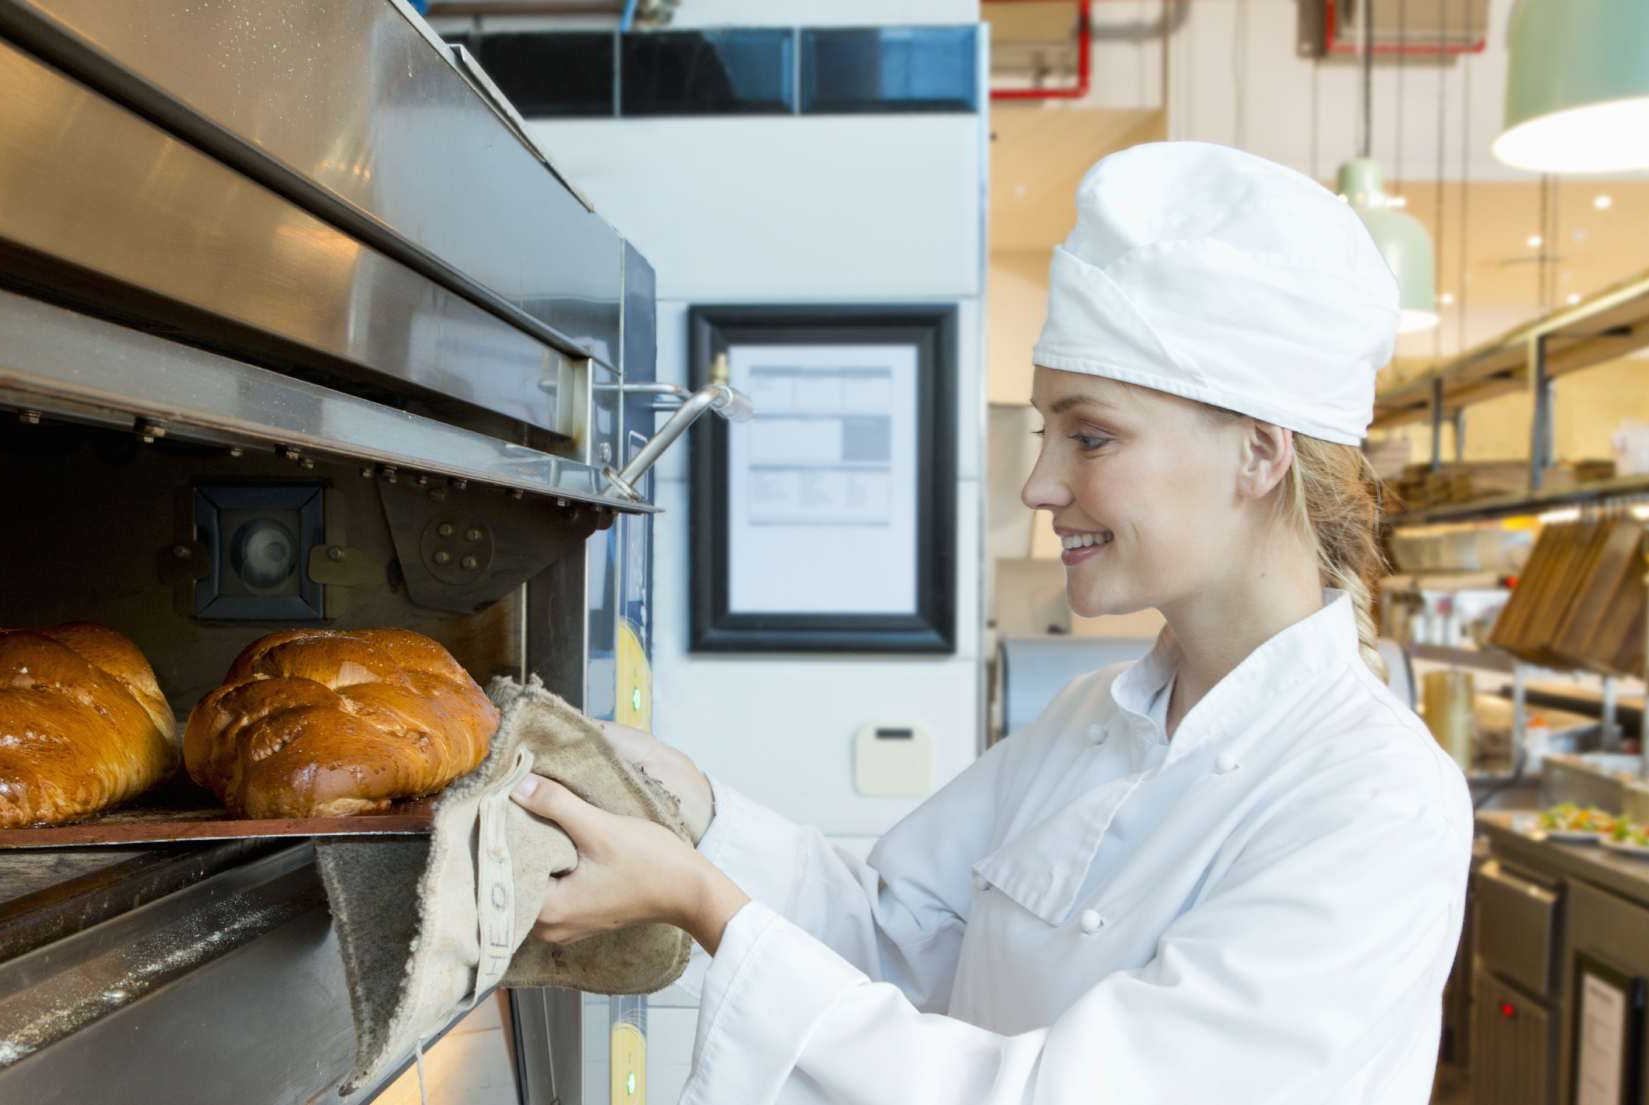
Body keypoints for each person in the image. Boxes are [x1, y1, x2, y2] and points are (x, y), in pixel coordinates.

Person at [509, 142, 1474, 1104]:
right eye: (1047, 431)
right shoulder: (1099, 718)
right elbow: (893, 935)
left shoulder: (1375, 802)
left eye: (1090, 436)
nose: (1040, 483)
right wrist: (690, 804)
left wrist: (701, 900)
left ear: (1257, 454)